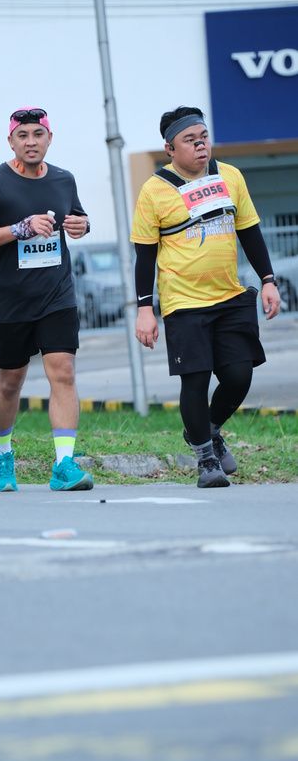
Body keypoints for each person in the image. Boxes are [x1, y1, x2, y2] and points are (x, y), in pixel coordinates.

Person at [131, 105, 281, 488]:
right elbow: (144, 256)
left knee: (239, 375)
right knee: (195, 380)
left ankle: (206, 431)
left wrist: (268, 280)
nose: (200, 145)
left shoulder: (230, 176)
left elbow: (250, 231)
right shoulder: (154, 190)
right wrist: (145, 309)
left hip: (229, 296)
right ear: (170, 148)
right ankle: (206, 460)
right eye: (190, 140)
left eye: (204, 137)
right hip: (183, 302)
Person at [0, 106, 93, 492]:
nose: (31, 142)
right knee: (9, 382)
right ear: (11, 141)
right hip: (11, 301)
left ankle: (64, 464)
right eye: (23, 135)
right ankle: (2, 455)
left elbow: (77, 219)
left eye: (38, 134)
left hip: (57, 295)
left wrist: (83, 225)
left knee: (63, 373)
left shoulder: (64, 180)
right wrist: (19, 228)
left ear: (49, 138)